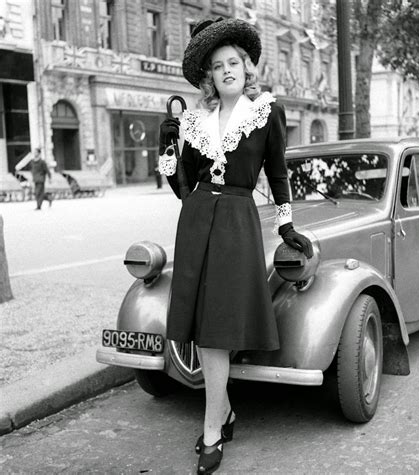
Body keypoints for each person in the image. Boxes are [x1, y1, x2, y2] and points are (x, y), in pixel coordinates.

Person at [158, 18, 313, 474]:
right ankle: (221, 415)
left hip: (237, 224)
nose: (227, 70)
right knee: (206, 329)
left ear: (247, 69)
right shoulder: (194, 120)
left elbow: (279, 174)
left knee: (220, 328)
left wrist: (286, 227)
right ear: (208, 76)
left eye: (234, 63)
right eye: (218, 65)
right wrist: (169, 148)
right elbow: (182, 186)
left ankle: (212, 431)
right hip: (196, 218)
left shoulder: (266, 111)